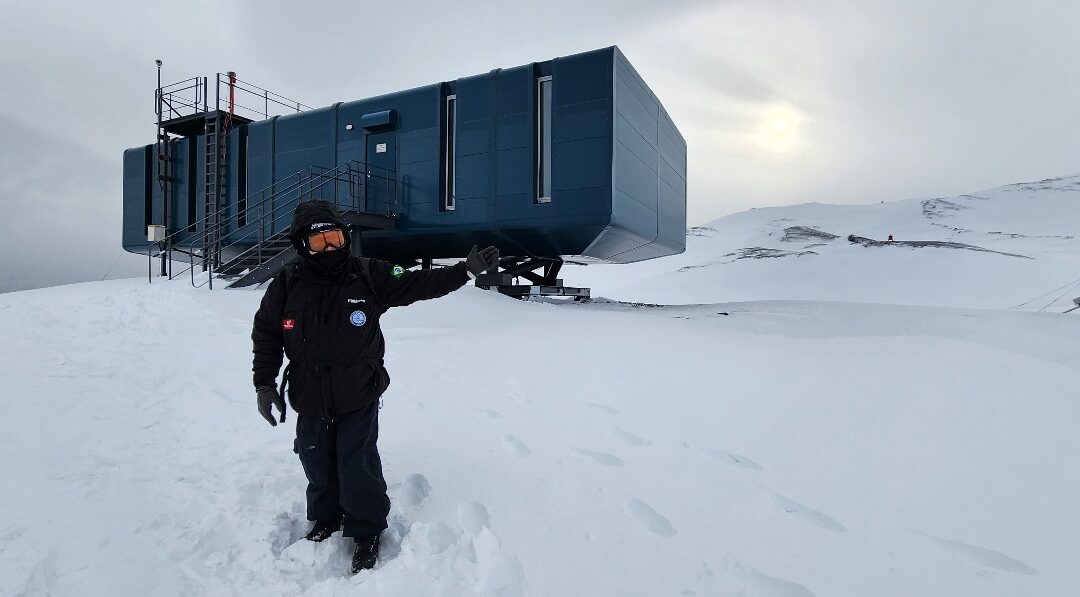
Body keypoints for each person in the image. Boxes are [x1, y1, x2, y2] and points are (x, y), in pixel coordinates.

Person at [251, 200, 499, 573]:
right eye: (319, 242)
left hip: (358, 391)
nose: (329, 248)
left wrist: (463, 271)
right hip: (309, 393)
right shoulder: (286, 284)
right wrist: (264, 385)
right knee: (315, 458)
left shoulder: (368, 274)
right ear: (302, 245)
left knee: (357, 463)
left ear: (345, 238)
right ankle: (326, 518)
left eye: (334, 237)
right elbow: (267, 336)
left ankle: (366, 530)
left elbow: (418, 282)